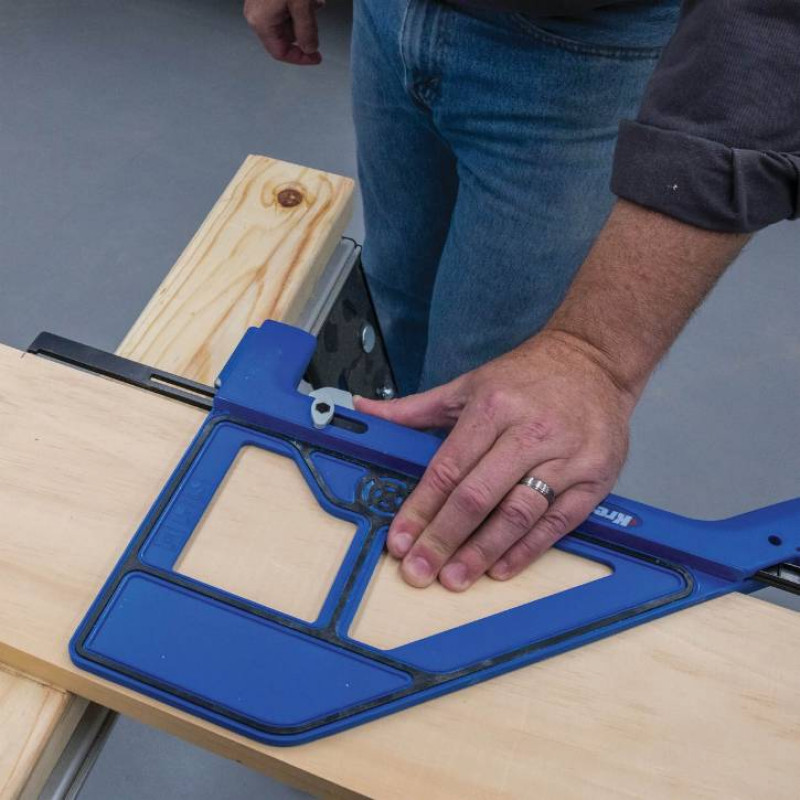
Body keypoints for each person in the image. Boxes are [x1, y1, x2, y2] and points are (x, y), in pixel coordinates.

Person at [245, 0, 799, 592]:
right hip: (386, 16)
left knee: (493, 413)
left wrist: (594, 356)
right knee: (394, 305)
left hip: (578, 60)